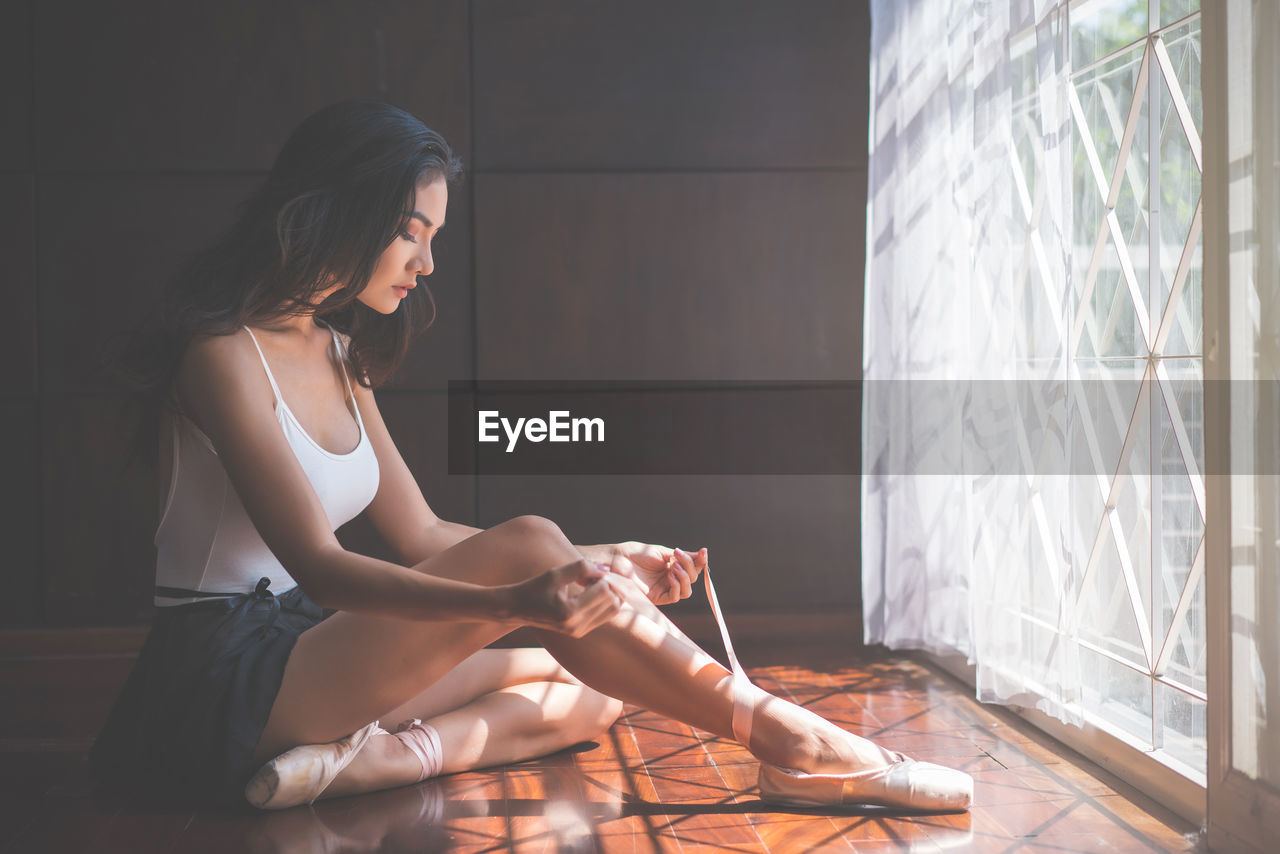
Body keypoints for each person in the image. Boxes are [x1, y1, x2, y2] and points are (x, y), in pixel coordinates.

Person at [90, 100, 973, 814]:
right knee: (535, 560)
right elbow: (323, 569)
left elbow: (424, 530)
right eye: (409, 231)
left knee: (592, 679)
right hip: (224, 678)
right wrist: (519, 594)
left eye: (432, 235)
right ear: (340, 207)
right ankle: (785, 738)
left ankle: (366, 767)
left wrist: (599, 565)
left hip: (307, 649)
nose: (425, 262)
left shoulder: (337, 352)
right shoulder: (221, 354)